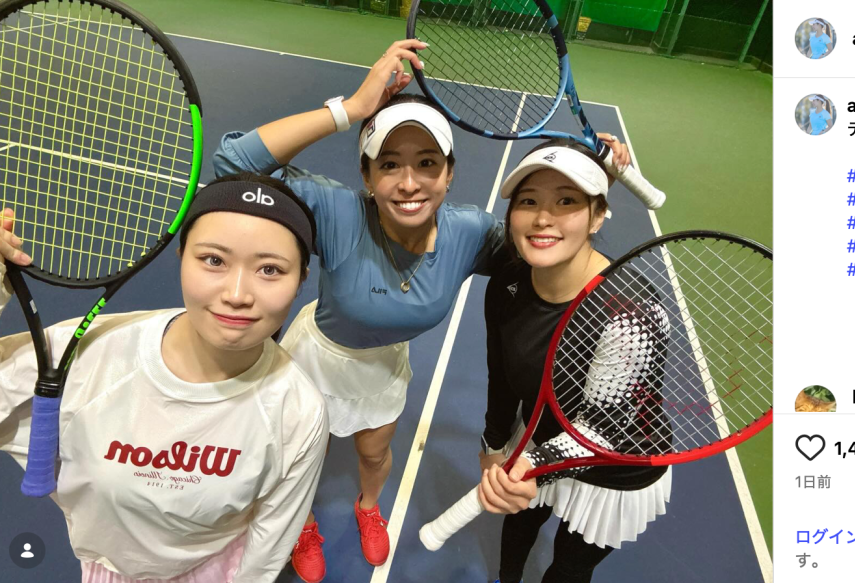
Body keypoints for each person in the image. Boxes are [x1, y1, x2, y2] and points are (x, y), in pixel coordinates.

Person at [211, 39, 633, 581]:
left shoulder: (470, 234)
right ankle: (303, 523)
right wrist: (352, 109)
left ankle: (368, 508)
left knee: (373, 454)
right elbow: (233, 164)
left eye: (427, 164)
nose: (409, 182)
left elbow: (547, 240)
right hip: (316, 355)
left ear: (449, 174)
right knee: (296, 458)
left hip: (381, 367)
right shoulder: (338, 212)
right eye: (389, 164)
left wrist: (587, 178)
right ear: (368, 177)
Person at [0, 174, 328, 583]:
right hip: (110, 569)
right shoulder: (83, 356)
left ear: (301, 281)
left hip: (215, 568)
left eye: (270, 269)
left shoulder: (299, 411)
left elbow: (269, 544)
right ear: (181, 256)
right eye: (214, 260)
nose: (237, 294)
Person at [476, 140, 670, 583]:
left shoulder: (631, 312)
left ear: (598, 215)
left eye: (567, 201)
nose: (543, 218)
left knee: (570, 567)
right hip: (542, 435)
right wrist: (493, 446)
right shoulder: (508, 280)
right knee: (518, 525)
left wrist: (530, 467)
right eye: (528, 201)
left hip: (616, 463)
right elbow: (500, 376)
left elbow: (604, 427)